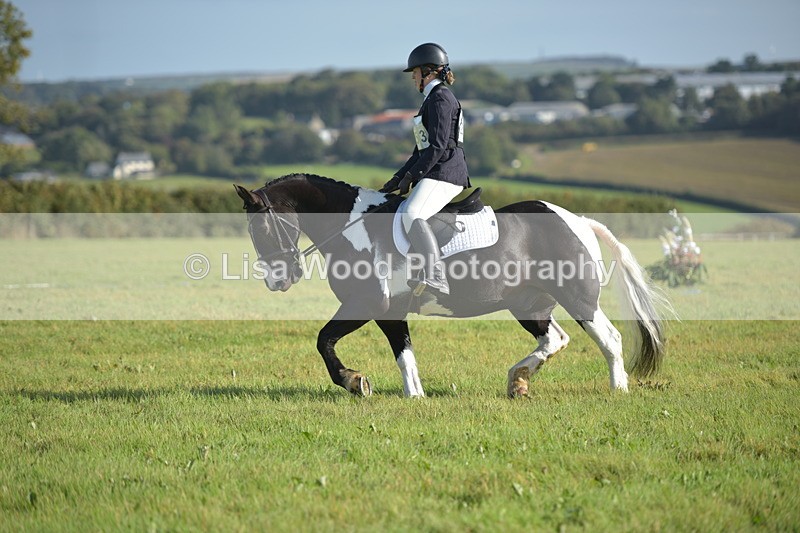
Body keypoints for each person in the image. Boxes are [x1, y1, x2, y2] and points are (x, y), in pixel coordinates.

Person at [380, 42, 471, 296]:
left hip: (445, 172)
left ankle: (437, 276)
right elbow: (420, 150)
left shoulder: (440, 98)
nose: (413, 78)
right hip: (437, 169)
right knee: (402, 210)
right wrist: (398, 177)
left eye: (415, 72)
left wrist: (413, 175)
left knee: (412, 213)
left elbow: (438, 146)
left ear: (428, 71)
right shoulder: (431, 99)